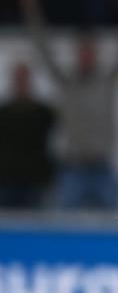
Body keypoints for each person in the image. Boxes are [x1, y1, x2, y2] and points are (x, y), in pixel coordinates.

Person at [20, 0, 118, 210]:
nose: (86, 56)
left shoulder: (108, 81)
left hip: (104, 169)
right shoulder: (67, 82)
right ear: (78, 55)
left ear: (96, 55)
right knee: (63, 227)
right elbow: (42, 48)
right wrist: (31, 11)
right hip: (72, 171)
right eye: (83, 51)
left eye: (91, 51)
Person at [0, 62, 58, 209]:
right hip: (7, 181)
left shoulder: (44, 112)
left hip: (36, 183)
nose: (21, 83)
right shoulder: (4, 113)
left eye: (24, 78)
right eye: (18, 79)